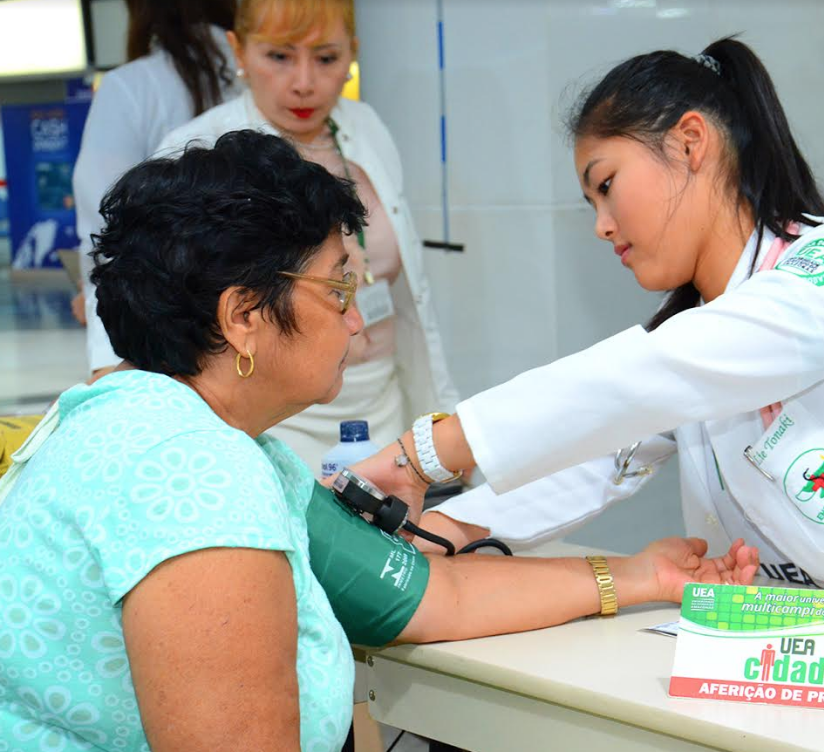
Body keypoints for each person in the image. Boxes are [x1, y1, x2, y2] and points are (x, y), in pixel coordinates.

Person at [0, 130, 758, 752]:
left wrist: (638, 577)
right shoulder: (191, 474)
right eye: (337, 290)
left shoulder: (155, 429)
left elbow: (434, 592)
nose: (356, 323)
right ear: (242, 317)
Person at [357, 37, 824, 633]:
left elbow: (655, 375)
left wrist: (428, 451)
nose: (601, 223)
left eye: (606, 186)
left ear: (691, 143)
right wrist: (445, 530)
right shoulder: (699, 331)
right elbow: (597, 454)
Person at [156, 0, 457, 467]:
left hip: (382, 404)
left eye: (326, 58)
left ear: (352, 54)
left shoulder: (367, 128)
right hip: (271, 419)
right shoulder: (196, 151)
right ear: (239, 50)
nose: (303, 82)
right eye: (279, 56)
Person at [74, 0, 240, 381]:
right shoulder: (259, 70)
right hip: (257, 322)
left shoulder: (131, 87)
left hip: (168, 331)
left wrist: (105, 358)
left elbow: (105, 232)